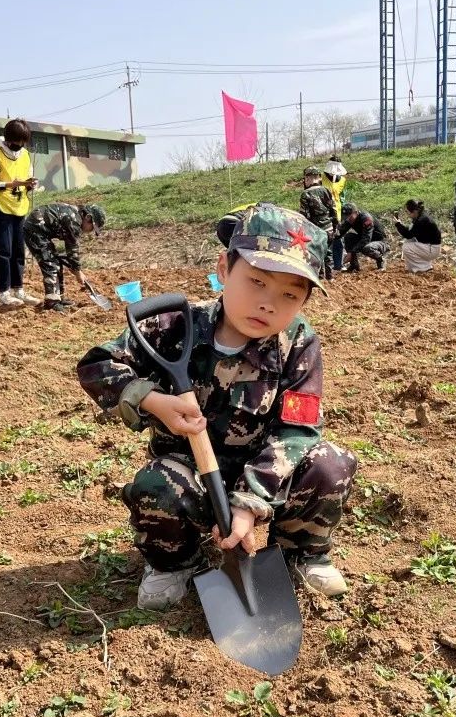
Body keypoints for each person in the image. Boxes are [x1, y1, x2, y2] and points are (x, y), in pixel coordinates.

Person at [77, 203, 358, 610]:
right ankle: (174, 563)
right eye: (257, 282)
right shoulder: (174, 325)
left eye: (289, 295)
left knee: (330, 464)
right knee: (155, 485)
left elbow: (296, 430)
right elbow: (97, 367)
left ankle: (300, 553)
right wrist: (153, 400)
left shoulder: (297, 343)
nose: (268, 304)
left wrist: (249, 500)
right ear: (224, 269)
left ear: (305, 300)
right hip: (188, 473)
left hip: (265, 476)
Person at [0, 118, 41, 308]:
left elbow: (27, 177)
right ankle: (3, 293)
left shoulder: (25, 155)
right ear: (7, 138)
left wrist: (30, 184)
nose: (18, 147)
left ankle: (18, 289)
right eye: (15, 143)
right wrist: (9, 185)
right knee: (4, 250)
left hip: (19, 206)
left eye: (22, 144)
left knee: (19, 250)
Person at [22, 202, 106, 311]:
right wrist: (78, 272)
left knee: (57, 262)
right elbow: (72, 249)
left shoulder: (75, 216)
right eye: (92, 228)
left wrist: (74, 266)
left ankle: (59, 298)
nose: (90, 231)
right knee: (50, 264)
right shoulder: (74, 220)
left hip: (42, 232)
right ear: (88, 217)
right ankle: (52, 302)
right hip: (34, 231)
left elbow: (71, 250)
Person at [299, 166, 339, 280]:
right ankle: (330, 277)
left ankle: (319, 277)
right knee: (328, 252)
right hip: (329, 228)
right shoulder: (326, 190)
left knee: (316, 253)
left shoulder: (305, 194)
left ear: (307, 178)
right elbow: (334, 210)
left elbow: (304, 216)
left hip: (315, 229)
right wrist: (335, 226)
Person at [393, 199, 442, 273]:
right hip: (429, 247)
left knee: (406, 247)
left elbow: (408, 235)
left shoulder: (421, 220)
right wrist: (399, 224)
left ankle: (423, 268)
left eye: (408, 212)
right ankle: (421, 267)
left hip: (432, 249)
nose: (408, 214)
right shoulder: (419, 217)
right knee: (408, 242)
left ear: (415, 211)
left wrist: (398, 225)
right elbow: (410, 231)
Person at [339, 202, 390, 272]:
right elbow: (340, 233)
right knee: (348, 237)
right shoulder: (350, 220)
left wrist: (351, 253)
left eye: (350, 217)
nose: (348, 220)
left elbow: (366, 239)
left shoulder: (366, 218)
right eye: (346, 218)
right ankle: (354, 265)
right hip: (367, 239)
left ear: (356, 212)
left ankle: (381, 261)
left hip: (380, 242)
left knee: (367, 248)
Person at [322, 156, 348, 271]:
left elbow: (342, 197)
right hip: (323, 213)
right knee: (325, 239)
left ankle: (339, 264)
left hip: (336, 213)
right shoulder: (321, 178)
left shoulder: (342, 180)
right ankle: (325, 265)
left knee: (338, 238)